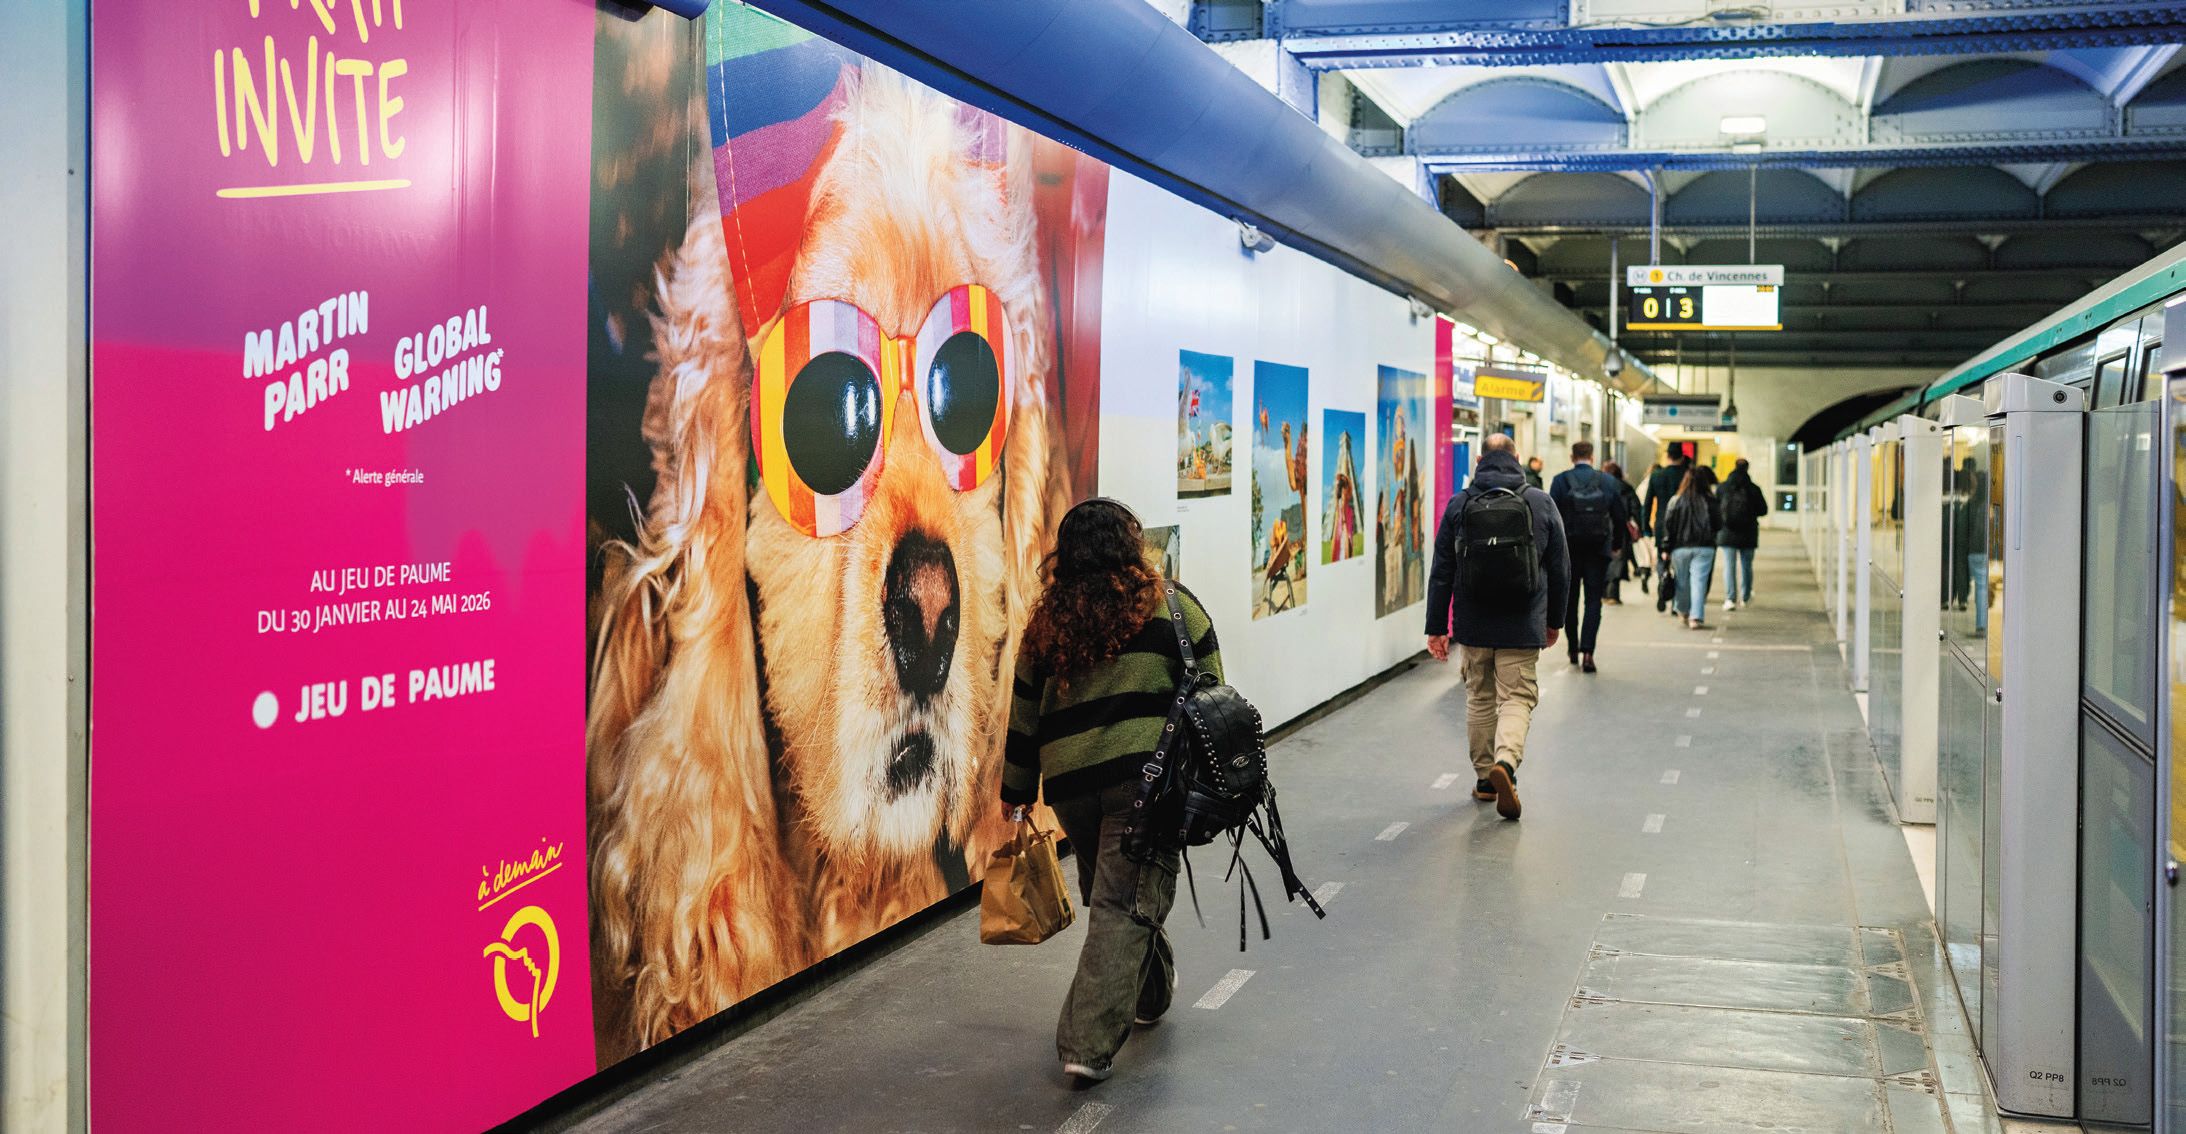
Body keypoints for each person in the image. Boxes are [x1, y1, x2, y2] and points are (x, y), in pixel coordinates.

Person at [1002, 498, 1220, 1084]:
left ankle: (1150, 995)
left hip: (1072, 787)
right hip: (1146, 783)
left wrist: (1016, 792)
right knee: (1125, 901)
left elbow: (1023, 715)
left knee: (1117, 892)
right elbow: (1213, 688)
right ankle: (1086, 1044)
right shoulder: (1172, 604)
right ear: (1131, 544)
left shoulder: (1046, 623)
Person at [1424, 433, 1570, 820]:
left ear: (1478, 458)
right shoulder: (1539, 501)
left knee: (1479, 698)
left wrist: (1437, 626)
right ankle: (1505, 762)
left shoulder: (1460, 504)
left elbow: (1441, 570)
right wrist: (1554, 621)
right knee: (1517, 697)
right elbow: (1560, 569)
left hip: (1472, 624)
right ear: (1517, 457)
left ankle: (1485, 780)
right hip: (1522, 622)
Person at [1549, 441, 1631, 673]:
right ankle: (1588, 653)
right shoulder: (1607, 480)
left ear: (1571, 457)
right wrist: (1615, 546)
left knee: (1570, 600)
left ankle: (1572, 648)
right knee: (1593, 601)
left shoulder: (1560, 480)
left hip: (1569, 551)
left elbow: (1551, 517)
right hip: (1598, 550)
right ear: (1592, 457)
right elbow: (1619, 516)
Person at [1658, 468, 1720, 630]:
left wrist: (1666, 548)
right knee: (1699, 582)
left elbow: (1668, 526)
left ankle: (1683, 612)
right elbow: (1719, 524)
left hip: (1680, 548)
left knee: (1682, 582)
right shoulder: (1711, 501)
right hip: (1705, 548)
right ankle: (1696, 617)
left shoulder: (1676, 500)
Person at [1643, 444, 1693, 613]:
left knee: (1662, 560)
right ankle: (1676, 601)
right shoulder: (1687, 475)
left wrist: (1646, 527)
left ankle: (1662, 587)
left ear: (1667, 456)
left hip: (1661, 524)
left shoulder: (1656, 475)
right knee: (1679, 562)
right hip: (1682, 525)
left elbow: (1648, 503)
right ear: (1681, 456)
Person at [1716, 458, 1768, 609]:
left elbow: (1716, 507)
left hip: (1727, 533)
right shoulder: (1754, 489)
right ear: (1747, 469)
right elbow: (1763, 510)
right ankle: (1745, 596)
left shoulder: (1722, 487)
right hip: (1748, 533)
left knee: (1729, 565)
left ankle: (1730, 599)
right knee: (1747, 565)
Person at [1603, 460, 1644, 606]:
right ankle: (1613, 594)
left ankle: (1604, 593)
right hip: (1621, 527)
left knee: (1604, 558)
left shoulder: (1600, 487)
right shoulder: (1626, 488)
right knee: (1618, 558)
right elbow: (1636, 508)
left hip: (1603, 528)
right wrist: (1640, 527)